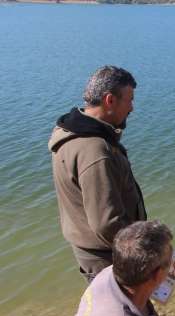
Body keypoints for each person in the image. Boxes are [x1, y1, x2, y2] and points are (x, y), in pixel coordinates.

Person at [49, 65, 147, 282]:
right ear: (110, 100)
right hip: (108, 257)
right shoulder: (94, 151)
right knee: (125, 314)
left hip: (94, 251)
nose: (132, 107)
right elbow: (107, 222)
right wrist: (145, 254)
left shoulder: (72, 131)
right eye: (129, 100)